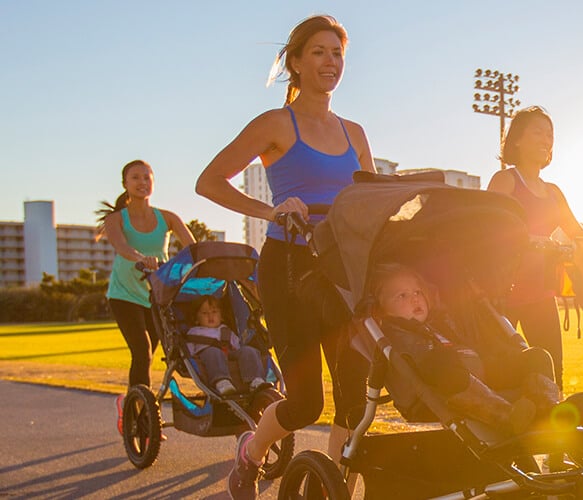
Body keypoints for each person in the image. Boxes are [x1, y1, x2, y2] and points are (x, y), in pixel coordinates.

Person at [194, 14, 375, 500]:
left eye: (337, 53)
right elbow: (208, 182)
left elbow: (368, 204)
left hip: (340, 273)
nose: (330, 62)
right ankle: (250, 455)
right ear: (295, 62)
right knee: (305, 403)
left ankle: (331, 487)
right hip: (289, 270)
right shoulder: (276, 124)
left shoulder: (355, 133)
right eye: (318, 52)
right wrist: (272, 210)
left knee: (354, 396)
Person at [486, 106, 583, 391]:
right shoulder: (506, 181)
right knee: (498, 373)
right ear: (518, 139)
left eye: (550, 134)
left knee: (551, 375)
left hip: (541, 295)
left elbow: (580, 234)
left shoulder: (554, 192)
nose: (546, 139)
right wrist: (533, 241)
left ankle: (549, 430)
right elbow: (485, 229)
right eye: (538, 131)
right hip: (502, 296)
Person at [372, 264, 540, 435]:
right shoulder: (394, 334)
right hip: (432, 395)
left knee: (536, 357)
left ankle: (545, 408)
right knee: (443, 363)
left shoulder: (440, 323)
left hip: (477, 377)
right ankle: (504, 416)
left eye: (418, 292)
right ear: (383, 309)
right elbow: (426, 364)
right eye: (402, 295)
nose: (415, 299)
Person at [98, 159, 195, 436]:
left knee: (152, 355)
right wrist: (143, 259)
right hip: (124, 295)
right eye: (135, 178)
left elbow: (193, 246)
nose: (142, 182)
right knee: (141, 350)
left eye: (147, 177)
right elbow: (122, 247)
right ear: (125, 184)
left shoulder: (167, 217)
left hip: (158, 295)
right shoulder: (116, 218)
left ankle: (130, 403)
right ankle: (140, 423)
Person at [185, 296, 268, 396]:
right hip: (207, 356)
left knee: (248, 350)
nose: (210, 316)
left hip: (228, 352)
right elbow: (189, 349)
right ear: (196, 319)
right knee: (213, 352)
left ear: (221, 316)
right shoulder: (195, 332)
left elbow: (237, 346)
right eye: (205, 313)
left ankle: (255, 380)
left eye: (214, 312)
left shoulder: (225, 330)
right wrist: (189, 357)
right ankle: (221, 381)